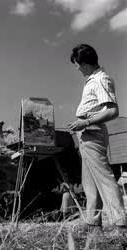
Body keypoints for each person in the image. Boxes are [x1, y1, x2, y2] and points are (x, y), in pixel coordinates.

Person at [68, 44, 126, 229]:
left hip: (91, 133)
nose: (76, 68)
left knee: (105, 179)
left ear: (84, 63)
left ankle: (121, 224)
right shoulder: (93, 80)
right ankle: (93, 225)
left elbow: (112, 110)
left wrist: (84, 122)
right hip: (86, 134)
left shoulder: (101, 80)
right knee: (90, 184)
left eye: (77, 64)